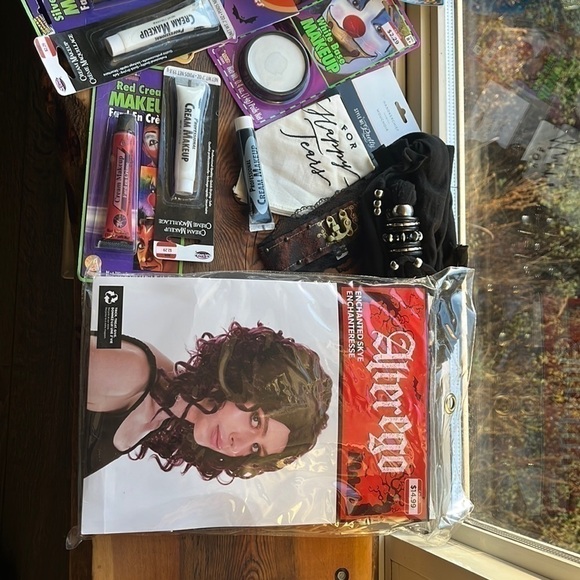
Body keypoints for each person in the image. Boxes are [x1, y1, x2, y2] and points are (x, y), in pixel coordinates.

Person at [85, 322, 333, 481]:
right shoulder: (133, 372)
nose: (236, 447)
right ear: (240, 378)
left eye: (256, 448)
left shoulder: (161, 420)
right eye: (256, 421)